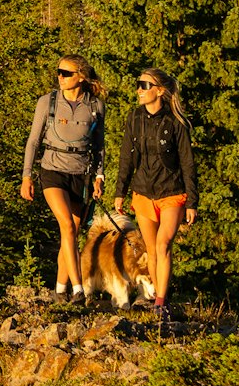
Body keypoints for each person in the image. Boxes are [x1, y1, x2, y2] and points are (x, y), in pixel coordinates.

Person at [112, 67, 198, 325]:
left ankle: (160, 301)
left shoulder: (176, 123)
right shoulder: (135, 118)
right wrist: (120, 192)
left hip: (172, 192)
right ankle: (161, 303)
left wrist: (192, 202)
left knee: (163, 245)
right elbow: (126, 156)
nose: (139, 89)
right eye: (138, 85)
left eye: (145, 85)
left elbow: (188, 163)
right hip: (143, 192)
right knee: (151, 249)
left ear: (159, 91)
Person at [20, 54, 106, 302]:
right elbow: (33, 141)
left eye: (66, 73)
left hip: (80, 175)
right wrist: (27, 176)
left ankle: (59, 289)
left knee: (71, 233)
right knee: (67, 225)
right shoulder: (47, 102)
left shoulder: (95, 106)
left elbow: (99, 146)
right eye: (58, 72)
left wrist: (99, 176)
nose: (60, 77)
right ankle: (78, 289)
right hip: (52, 170)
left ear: (81, 76)